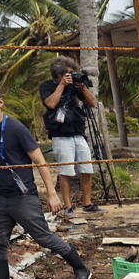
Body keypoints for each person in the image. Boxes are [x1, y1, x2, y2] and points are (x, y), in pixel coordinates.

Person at [0, 80, 92, 279]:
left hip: (23, 196)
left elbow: (39, 160)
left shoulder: (16, 128)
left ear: (0, 102)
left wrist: (52, 194)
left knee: (43, 237)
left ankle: (81, 269)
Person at [39, 56, 99, 215]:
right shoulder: (47, 86)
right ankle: (68, 206)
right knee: (66, 171)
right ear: (58, 75)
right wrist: (61, 86)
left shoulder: (75, 86)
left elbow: (92, 103)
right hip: (60, 135)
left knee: (87, 169)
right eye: (69, 74)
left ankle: (87, 203)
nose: (72, 77)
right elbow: (51, 104)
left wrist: (82, 87)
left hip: (78, 133)